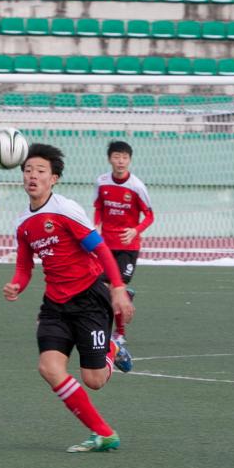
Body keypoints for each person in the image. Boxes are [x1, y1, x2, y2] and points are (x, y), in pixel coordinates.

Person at [2, 143, 135, 453]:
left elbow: (100, 249)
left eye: (40, 171)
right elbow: (24, 266)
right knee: (48, 367)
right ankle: (104, 433)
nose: (32, 176)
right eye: (27, 170)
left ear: (54, 178)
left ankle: (111, 348)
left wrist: (116, 288)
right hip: (55, 305)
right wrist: (16, 285)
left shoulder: (64, 210)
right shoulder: (23, 224)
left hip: (89, 298)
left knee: (94, 380)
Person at [93, 140, 155, 370]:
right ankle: (119, 323)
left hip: (128, 247)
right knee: (105, 289)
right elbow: (99, 206)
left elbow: (150, 216)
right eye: (116, 157)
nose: (120, 161)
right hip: (105, 245)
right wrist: (96, 225)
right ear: (110, 158)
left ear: (130, 160)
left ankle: (119, 334)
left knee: (112, 290)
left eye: (124, 157)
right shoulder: (101, 182)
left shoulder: (137, 187)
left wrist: (135, 230)